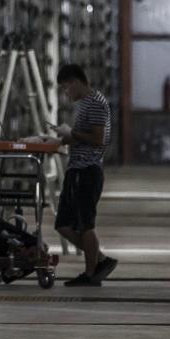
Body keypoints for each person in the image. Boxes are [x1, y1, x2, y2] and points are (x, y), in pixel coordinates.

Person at [52, 64, 116, 287]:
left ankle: (91, 274)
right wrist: (62, 138)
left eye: (66, 88)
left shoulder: (96, 103)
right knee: (63, 224)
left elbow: (98, 139)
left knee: (85, 224)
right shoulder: (87, 103)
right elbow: (83, 136)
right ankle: (100, 260)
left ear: (75, 82)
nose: (65, 93)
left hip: (87, 170)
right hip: (77, 167)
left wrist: (71, 133)